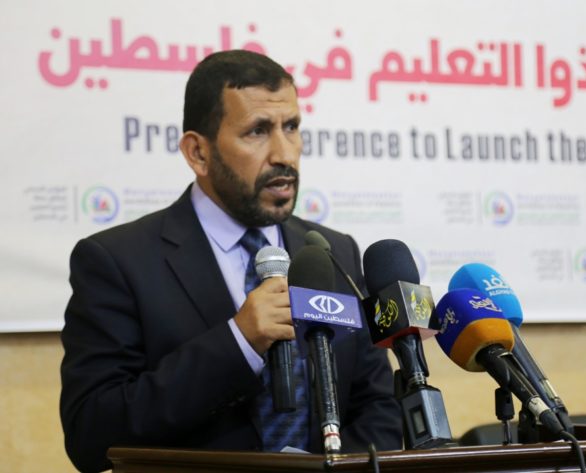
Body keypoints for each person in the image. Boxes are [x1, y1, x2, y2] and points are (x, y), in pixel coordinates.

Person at [60, 50, 401, 473]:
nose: (284, 154)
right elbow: (91, 433)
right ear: (198, 153)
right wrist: (239, 342)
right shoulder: (116, 261)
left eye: (291, 127)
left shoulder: (333, 252)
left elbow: (378, 408)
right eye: (257, 131)